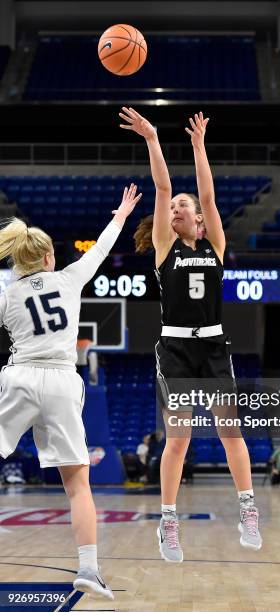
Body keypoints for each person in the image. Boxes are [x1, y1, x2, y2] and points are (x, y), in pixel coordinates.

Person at [119, 107, 262, 563]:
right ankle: (168, 523)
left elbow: (208, 194)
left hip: (215, 344)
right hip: (177, 346)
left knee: (230, 431)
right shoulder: (164, 246)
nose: (178, 206)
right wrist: (153, 139)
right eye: (175, 206)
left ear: (199, 222)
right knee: (178, 438)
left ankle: (248, 509)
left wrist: (200, 146)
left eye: (185, 206)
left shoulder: (215, 244)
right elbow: (162, 187)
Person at [0, 183, 142, 600]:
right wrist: (120, 214)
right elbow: (101, 247)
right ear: (48, 257)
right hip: (62, 381)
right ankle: (89, 569)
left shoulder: (8, 297)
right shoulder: (68, 280)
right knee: (78, 485)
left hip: (21, 375)